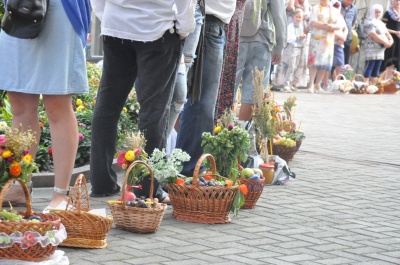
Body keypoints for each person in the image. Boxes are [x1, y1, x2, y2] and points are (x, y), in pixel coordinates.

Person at [89, 0, 196, 200]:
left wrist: (109, 17)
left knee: (108, 107)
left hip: (116, 26)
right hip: (156, 27)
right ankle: (146, 188)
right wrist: (184, 27)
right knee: (154, 111)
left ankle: (101, 182)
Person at [0, 0, 91, 211]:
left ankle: (61, 193)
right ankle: (20, 184)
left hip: (61, 7)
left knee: (57, 103)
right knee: (19, 103)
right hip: (19, 4)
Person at [175, 1, 237, 176]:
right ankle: (187, 170)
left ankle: (183, 167)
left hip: (202, 22)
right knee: (200, 101)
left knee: (192, 99)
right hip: (204, 23)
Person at [234, 0, 287, 121]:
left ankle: (223, 132)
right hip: (261, 40)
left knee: (228, 90)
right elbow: (278, 14)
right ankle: (243, 134)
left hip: (235, 37)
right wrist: (280, 46)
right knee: (254, 94)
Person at [215, 0, 247, 120]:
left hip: (230, 26)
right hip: (225, 26)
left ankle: (218, 123)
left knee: (221, 81)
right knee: (217, 81)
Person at [307, 0, 341, 93]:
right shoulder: (315, 8)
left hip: (328, 40)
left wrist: (329, 26)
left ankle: (318, 84)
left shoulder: (334, 10)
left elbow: (339, 25)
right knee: (314, 61)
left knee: (324, 62)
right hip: (317, 39)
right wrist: (327, 26)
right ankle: (311, 84)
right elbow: (313, 22)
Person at [363, 4, 393, 84]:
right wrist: (385, 42)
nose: (378, 14)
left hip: (380, 49)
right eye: (376, 12)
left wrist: (390, 41)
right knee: (370, 66)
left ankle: (373, 86)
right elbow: (373, 34)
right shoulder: (369, 22)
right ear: (372, 12)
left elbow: (387, 33)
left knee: (377, 67)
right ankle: (364, 85)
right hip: (371, 49)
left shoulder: (381, 24)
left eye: (379, 12)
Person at [281, 8, 307, 93]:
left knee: (296, 66)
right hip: (292, 48)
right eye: (297, 17)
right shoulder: (290, 26)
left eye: (300, 17)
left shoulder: (301, 26)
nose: (298, 19)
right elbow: (289, 38)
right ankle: (286, 84)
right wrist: (299, 37)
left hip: (299, 48)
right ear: (293, 17)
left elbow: (303, 38)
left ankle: (292, 83)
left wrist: (303, 38)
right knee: (290, 66)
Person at [382, 0, 400, 74]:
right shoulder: (388, 13)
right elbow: (382, 27)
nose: (398, 2)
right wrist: (395, 32)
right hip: (390, 38)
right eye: (396, 1)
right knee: (388, 58)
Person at [340, 0, 358, 65]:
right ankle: (333, 75)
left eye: (352, 1)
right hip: (337, 38)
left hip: (347, 38)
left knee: (345, 61)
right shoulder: (337, 5)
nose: (350, 2)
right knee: (336, 61)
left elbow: (353, 22)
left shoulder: (354, 8)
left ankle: (343, 75)